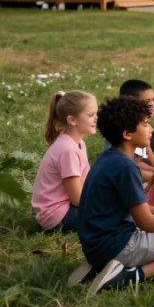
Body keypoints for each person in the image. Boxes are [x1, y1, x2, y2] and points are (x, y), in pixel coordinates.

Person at [78, 96, 154, 294]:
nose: (151, 129)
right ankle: (129, 275)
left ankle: (104, 266)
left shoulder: (111, 158)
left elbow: (138, 205)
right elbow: (146, 222)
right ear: (127, 134)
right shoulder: (125, 166)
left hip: (97, 245)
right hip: (118, 245)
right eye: (144, 124)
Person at [32, 91, 96, 233]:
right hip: (57, 216)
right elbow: (77, 199)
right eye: (91, 115)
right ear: (72, 120)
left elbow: (87, 182)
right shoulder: (68, 150)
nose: (96, 119)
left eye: (95, 114)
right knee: (113, 214)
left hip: (67, 207)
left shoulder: (78, 143)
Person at [118, 79, 154, 182]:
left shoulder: (144, 127)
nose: (152, 105)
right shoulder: (128, 129)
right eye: (147, 102)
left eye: (153, 100)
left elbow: (142, 160)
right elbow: (133, 167)